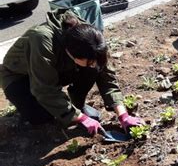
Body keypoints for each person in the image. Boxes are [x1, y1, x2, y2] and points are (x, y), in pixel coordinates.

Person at [0, 9, 144, 135]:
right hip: (18, 77)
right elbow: (43, 89)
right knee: (41, 117)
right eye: (88, 61)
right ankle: (63, 110)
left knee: (93, 70)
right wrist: (80, 118)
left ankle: (77, 106)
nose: (92, 64)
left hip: (55, 69)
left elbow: (106, 76)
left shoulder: (89, 36)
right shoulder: (41, 40)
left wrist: (123, 115)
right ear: (71, 53)